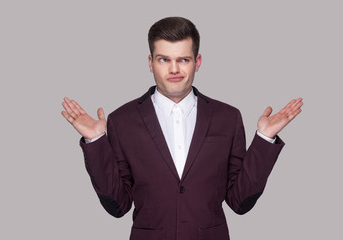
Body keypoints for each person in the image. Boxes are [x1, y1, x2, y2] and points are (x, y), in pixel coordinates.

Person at [61, 16, 303, 240]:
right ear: (150, 62)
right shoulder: (122, 120)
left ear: (197, 62)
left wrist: (264, 139)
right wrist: (95, 142)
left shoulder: (227, 117)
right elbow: (118, 206)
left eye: (183, 59)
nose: (174, 69)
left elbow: (240, 202)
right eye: (164, 59)